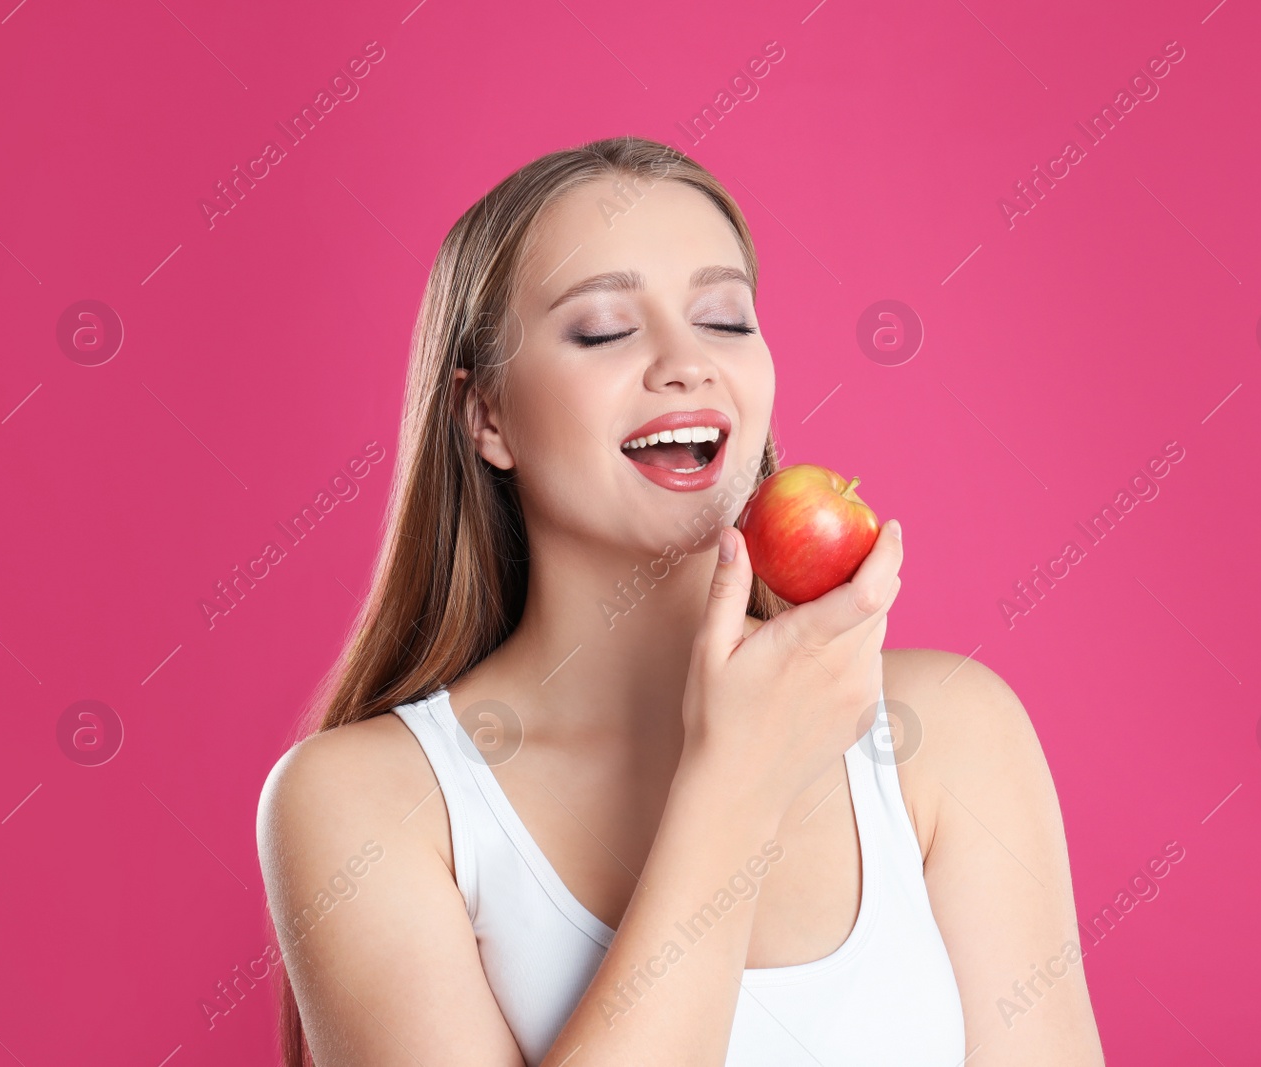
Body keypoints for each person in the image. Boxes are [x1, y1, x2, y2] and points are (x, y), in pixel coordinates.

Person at [256, 136, 1104, 1066]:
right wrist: (733, 786)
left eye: (726, 319)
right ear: (486, 416)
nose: (686, 362)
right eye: (605, 330)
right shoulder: (365, 801)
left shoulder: (948, 731)